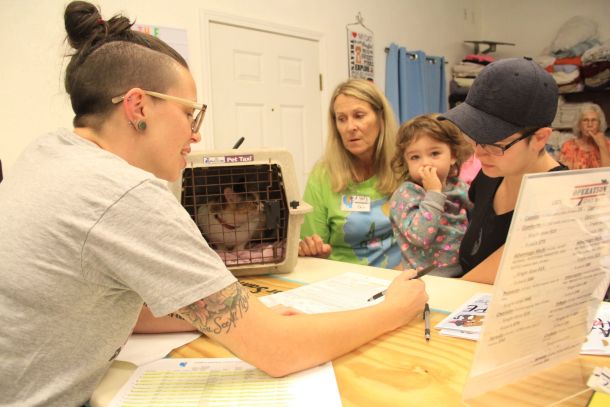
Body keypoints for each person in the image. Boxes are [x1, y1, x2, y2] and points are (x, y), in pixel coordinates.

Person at [0, 3, 428, 406]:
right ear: (137, 106)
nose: (196, 133)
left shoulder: (47, 152)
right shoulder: (125, 194)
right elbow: (278, 351)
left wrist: (229, 315)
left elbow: (121, 312)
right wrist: (393, 310)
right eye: (190, 113)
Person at [440, 57, 568, 284]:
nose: (479, 153)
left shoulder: (562, 201)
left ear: (540, 138)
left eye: (494, 144)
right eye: (474, 137)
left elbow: (478, 282)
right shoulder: (490, 174)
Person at [298, 79, 402, 268]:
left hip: (399, 277)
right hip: (342, 278)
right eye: (342, 119)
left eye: (359, 116)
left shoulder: (404, 166)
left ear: (381, 118)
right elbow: (311, 246)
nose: (350, 127)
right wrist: (313, 251)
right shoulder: (322, 175)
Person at [389, 114, 472, 277]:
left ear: (453, 156)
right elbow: (420, 237)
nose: (425, 163)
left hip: (464, 275)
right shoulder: (405, 194)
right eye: (415, 157)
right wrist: (434, 193)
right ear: (406, 162)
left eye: (434, 153)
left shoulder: (460, 187)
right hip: (423, 278)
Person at [558, 102, 610, 169]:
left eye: (594, 120)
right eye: (585, 120)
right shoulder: (569, 146)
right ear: (579, 124)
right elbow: (563, 173)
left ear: (599, 124)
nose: (590, 125)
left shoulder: (607, 144)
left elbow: (608, 172)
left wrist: (602, 146)